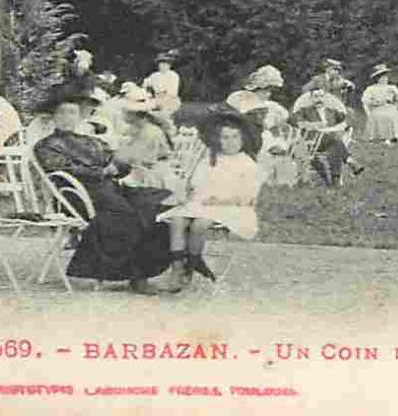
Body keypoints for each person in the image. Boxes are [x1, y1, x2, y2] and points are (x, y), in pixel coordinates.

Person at [32, 85, 175, 293]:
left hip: (108, 189)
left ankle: (152, 267)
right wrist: (103, 172)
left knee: (156, 204)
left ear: (79, 116)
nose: (66, 117)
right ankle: (137, 276)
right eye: (61, 112)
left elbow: (116, 164)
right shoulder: (47, 145)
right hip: (76, 195)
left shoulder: (92, 142)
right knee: (126, 215)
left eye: (72, 112)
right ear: (53, 116)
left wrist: (124, 162)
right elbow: (61, 170)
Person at [158, 110, 266, 290]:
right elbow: (196, 183)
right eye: (225, 137)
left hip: (231, 205)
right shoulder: (210, 159)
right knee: (177, 220)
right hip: (203, 202)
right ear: (217, 139)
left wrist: (220, 200)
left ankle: (192, 262)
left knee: (199, 224)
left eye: (234, 137)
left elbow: (247, 196)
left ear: (243, 140)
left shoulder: (247, 164)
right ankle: (177, 268)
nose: (229, 142)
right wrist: (193, 194)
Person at [292, 72, 363, 183]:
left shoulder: (332, 111)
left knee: (336, 144)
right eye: (315, 96)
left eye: (321, 96)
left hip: (329, 141)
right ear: (311, 98)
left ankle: (335, 178)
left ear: (325, 97)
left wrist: (341, 126)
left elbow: (347, 121)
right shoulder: (305, 110)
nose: (318, 99)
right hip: (312, 142)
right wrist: (313, 125)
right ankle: (349, 161)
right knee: (336, 141)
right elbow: (298, 123)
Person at [112, 85, 176, 191]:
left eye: (124, 111)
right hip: (140, 174)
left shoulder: (150, 132)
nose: (121, 114)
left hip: (152, 181)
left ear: (134, 114)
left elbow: (134, 158)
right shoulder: (136, 127)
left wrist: (115, 153)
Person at [361, 64, 398, 143]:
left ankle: (393, 136)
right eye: (381, 77)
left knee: (391, 116)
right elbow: (366, 100)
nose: (384, 79)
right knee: (377, 116)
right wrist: (374, 102)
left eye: (385, 77)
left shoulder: (391, 88)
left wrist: (396, 104)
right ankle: (378, 136)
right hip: (377, 108)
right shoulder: (371, 88)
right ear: (377, 79)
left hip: (389, 107)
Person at [142, 49, 183, 119]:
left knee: (164, 112)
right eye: (160, 64)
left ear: (169, 65)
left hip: (170, 100)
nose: (162, 66)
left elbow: (172, 93)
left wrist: (160, 96)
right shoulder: (154, 76)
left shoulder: (173, 76)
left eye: (165, 64)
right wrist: (148, 93)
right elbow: (145, 85)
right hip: (156, 100)